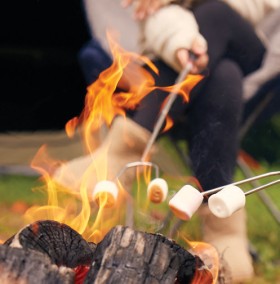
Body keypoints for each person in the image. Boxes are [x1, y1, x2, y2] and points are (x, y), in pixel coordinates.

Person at [54, 0, 280, 282]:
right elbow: (155, 22)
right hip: (187, 70)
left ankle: (126, 147)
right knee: (224, 74)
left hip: (246, 48)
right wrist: (180, 43)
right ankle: (223, 227)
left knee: (216, 12)